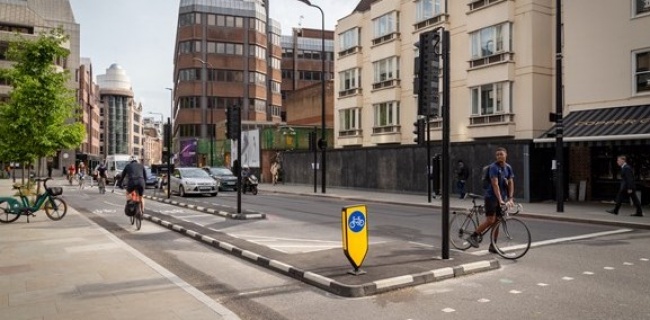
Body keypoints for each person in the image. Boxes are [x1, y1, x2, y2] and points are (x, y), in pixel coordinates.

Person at [467, 147, 515, 253]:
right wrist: (500, 200)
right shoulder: (493, 167)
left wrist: (510, 198)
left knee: (497, 221)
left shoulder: (508, 167)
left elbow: (511, 182)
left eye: (501, 154)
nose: (499, 156)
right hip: (491, 197)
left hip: (500, 198)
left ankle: (493, 245)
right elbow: (495, 184)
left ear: (506, 155)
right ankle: (473, 236)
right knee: (491, 220)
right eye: (497, 154)